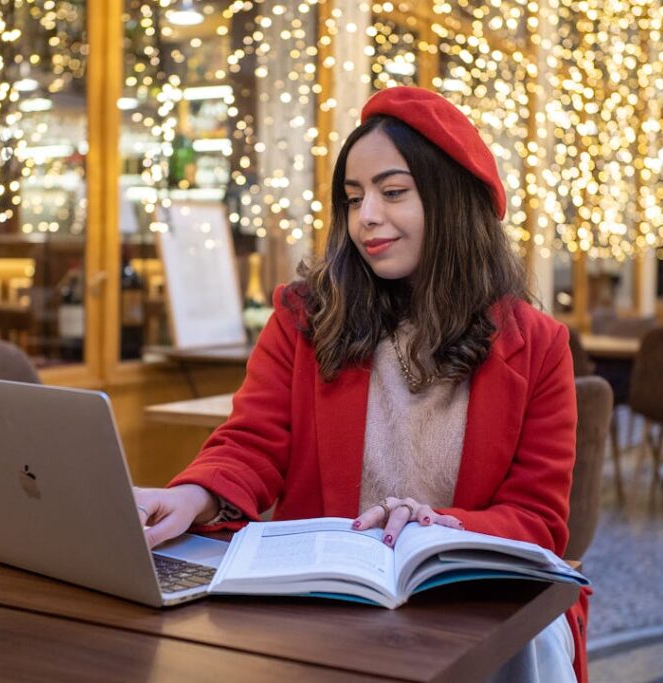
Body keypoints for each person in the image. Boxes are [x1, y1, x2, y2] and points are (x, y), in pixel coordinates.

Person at [135, 86, 588, 682]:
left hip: (469, 604)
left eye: (392, 192)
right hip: (321, 605)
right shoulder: (306, 316)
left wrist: (433, 525)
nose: (366, 217)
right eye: (353, 199)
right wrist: (194, 495)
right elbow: (252, 442)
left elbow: (536, 521)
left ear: (451, 200)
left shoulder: (537, 347)